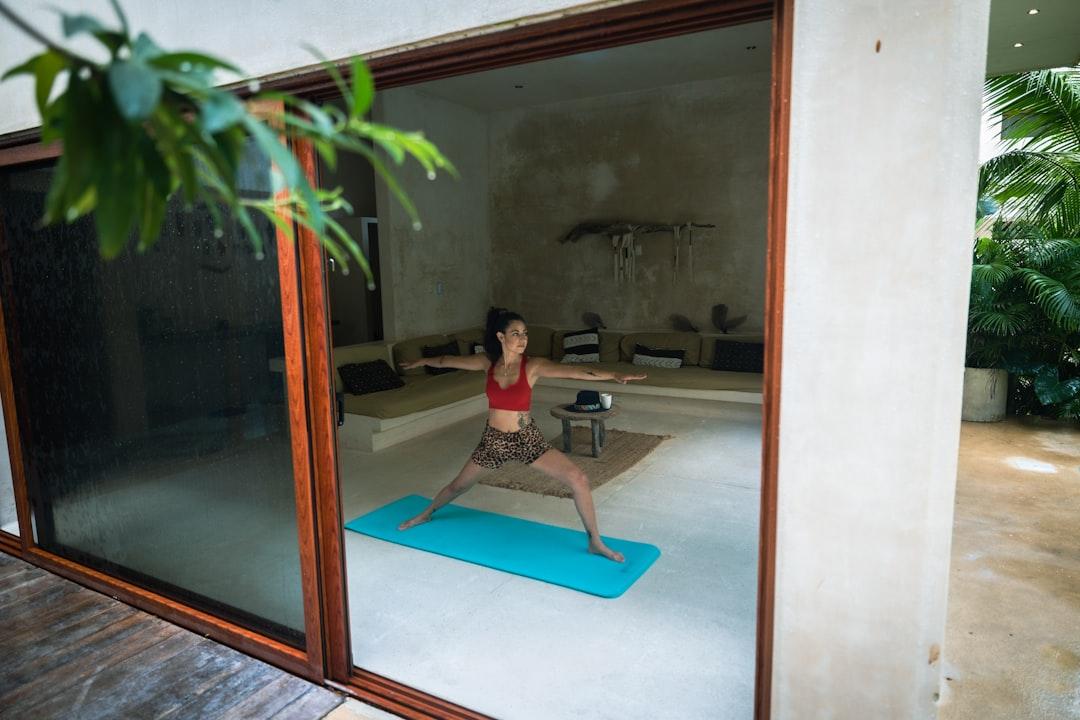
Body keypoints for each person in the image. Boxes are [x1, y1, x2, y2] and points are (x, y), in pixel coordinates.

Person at [397, 308, 647, 562]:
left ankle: (595, 541)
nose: (523, 339)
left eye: (525, 334)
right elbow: (445, 361)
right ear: (500, 337)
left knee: (578, 478)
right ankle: (427, 513)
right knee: (458, 486)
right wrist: (421, 362)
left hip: (526, 439)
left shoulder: (533, 366)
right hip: (493, 440)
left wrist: (614, 375)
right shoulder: (487, 363)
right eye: (515, 333)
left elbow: (578, 371)